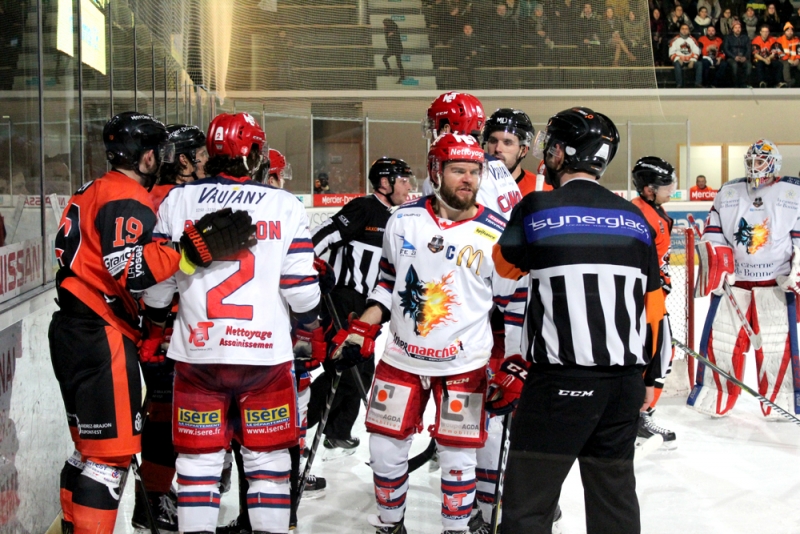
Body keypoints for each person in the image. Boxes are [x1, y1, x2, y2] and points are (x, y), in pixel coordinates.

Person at [50, 111, 254, 534]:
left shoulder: (95, 188)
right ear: (146, 157)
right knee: (108, 460)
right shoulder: (127, 197)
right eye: (159, 152)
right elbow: (129, 270)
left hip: (75, 327)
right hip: (99, 331)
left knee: (88, 451)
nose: (164, 159)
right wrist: (190, 250)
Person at [330, 133, 527, 534]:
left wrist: (515, 363)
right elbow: (388, 281)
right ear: (436, 171)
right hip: (401, 359)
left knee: (458, 457)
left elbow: (516, 304)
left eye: (474, 171)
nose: (468, 179)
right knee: (384, 449)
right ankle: (390, 524)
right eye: (458, 170)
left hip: (465, 365)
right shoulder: (403, 220)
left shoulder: (497, 232)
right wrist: (362, 329)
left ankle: (456, 528)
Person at [143, 112, 323, 534]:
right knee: (268, 464)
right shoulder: (284, 204)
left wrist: (153, 327)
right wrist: (310, 328)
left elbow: (157, 287)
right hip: (265, 361)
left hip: (197, 356)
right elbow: (301, 290)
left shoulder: (177, 201)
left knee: (198, 465)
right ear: (256, 153)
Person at [491, 107, 666, 534]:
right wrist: (652, 378)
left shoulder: (536, 206)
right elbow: (654, 308)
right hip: (624, 385)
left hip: (560, 384)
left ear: (561, 153)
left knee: (529, 506)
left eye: (551, 147)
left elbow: (502, 268)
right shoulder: (636, 218)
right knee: (614, 500)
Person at [307, 157, 414, 454]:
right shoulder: (363, 207)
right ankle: (301, 422)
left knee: (360, 371)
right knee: (347, 368)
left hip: (369, 305)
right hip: (344, 299)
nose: (409, 186)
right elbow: (324, 234)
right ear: (385, 183)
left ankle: (337, 430)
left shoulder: (393, 217)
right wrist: (307, 262)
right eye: (403, 180)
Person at [688, 139, 800, 421]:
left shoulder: (793, 192)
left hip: (775, 284)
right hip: (735, 283)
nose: (754, 167)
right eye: (751, 161)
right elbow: (714, 233)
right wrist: (718, 264)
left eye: (760, 162)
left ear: (774, 163)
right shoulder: (729, 191)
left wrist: (796, 269)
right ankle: (715, 395)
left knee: (777, 346)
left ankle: (781, 400)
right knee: (722, 342)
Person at [132, 122, 209, 533]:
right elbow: (160, 271)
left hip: (166, 323)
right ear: (184, 160)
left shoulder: (162, 196)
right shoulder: (170, 200)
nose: (208, 161)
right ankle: (151, 502)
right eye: (202, 155)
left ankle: (157, 493)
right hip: (169, 325)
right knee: (165, 416)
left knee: (168, 414)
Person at [631, 157, 680, 451]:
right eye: (666, 185)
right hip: (645, 302)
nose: (671, 189)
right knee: (652, 359)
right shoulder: (640, 215)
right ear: (649, 189)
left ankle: (641, 415)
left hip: (656, 299)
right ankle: (638, 418)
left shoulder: (655, 211)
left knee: (662, 356)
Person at [483, 108, 551, 196]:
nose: (498, 148)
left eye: (507, 143)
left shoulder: (541, 190)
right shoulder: (474, 186)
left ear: (523, 150)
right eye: (493, 141)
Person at [150, 124, 208, 210]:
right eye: (202, 154)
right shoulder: (188, 198)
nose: (206, 159)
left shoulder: (150, 193)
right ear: (183, 159)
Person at [724, 20, 753, 87]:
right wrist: (734, 57)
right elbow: (726, 49)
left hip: (743, 57)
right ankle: (735, 84)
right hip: (732, 57)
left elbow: (749, 49)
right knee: (734, 65)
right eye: (736, 28)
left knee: (749, 65)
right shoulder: (728, 38)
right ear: (733, 29)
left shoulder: (746, 38)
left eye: (739, 27)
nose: (738, 29)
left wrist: (745, 57)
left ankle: (745, 84)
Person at [382, 18, 406, 83]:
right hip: (391, 48)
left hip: (397, 48)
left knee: (399, 63)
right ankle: (389, 71)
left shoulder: (395, 29)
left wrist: (393, 33)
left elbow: (397, 40)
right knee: (384, 58)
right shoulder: (386, 30)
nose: (383, 26)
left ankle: (402, 77)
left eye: (384, 24)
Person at [777, 22, 800, 86]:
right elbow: (779, 52)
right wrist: (788, 60)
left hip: (795, 59)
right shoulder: (779, 40)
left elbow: (799, 50)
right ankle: (788, 81)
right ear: (785, 32)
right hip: (784, 59)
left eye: (791, 31)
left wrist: (797, 59)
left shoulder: (797, 40)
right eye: (788, 31)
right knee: (786, 64)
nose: (790, 32)